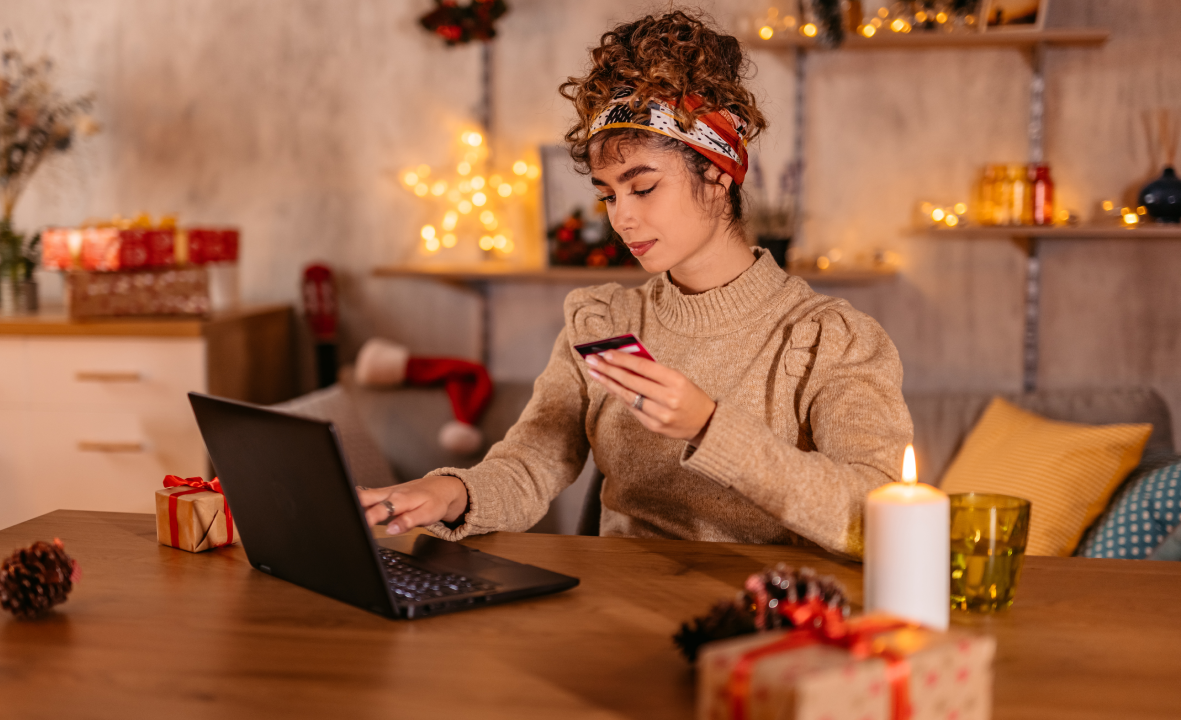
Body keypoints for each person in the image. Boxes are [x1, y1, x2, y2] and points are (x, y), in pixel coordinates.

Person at [358, 11, 912, 559]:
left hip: (762, 606)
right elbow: (532, 462)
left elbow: (874, 515)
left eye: (642, 188)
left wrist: (711, 428)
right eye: (608, 195)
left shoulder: (830, 339)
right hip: (613, 600)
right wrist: (449, 492)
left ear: (718, 174)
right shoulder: (603, 321)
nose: (621, 219)